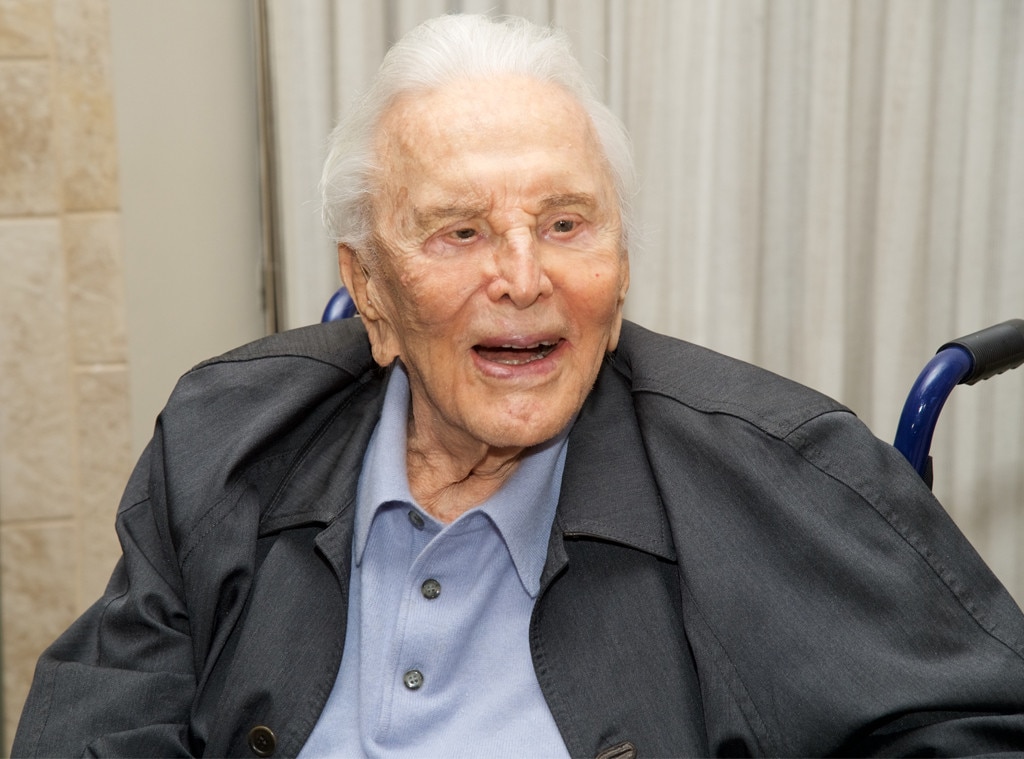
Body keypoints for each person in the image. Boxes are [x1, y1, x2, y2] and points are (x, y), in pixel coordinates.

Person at [12, 13, 1024, 758]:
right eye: (460, 232)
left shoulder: (780, 473)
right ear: (370, 291)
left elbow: (979, 724)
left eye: (566, 224)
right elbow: (102, 721)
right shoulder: (223, 440)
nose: (524, 277)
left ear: (619, 271)